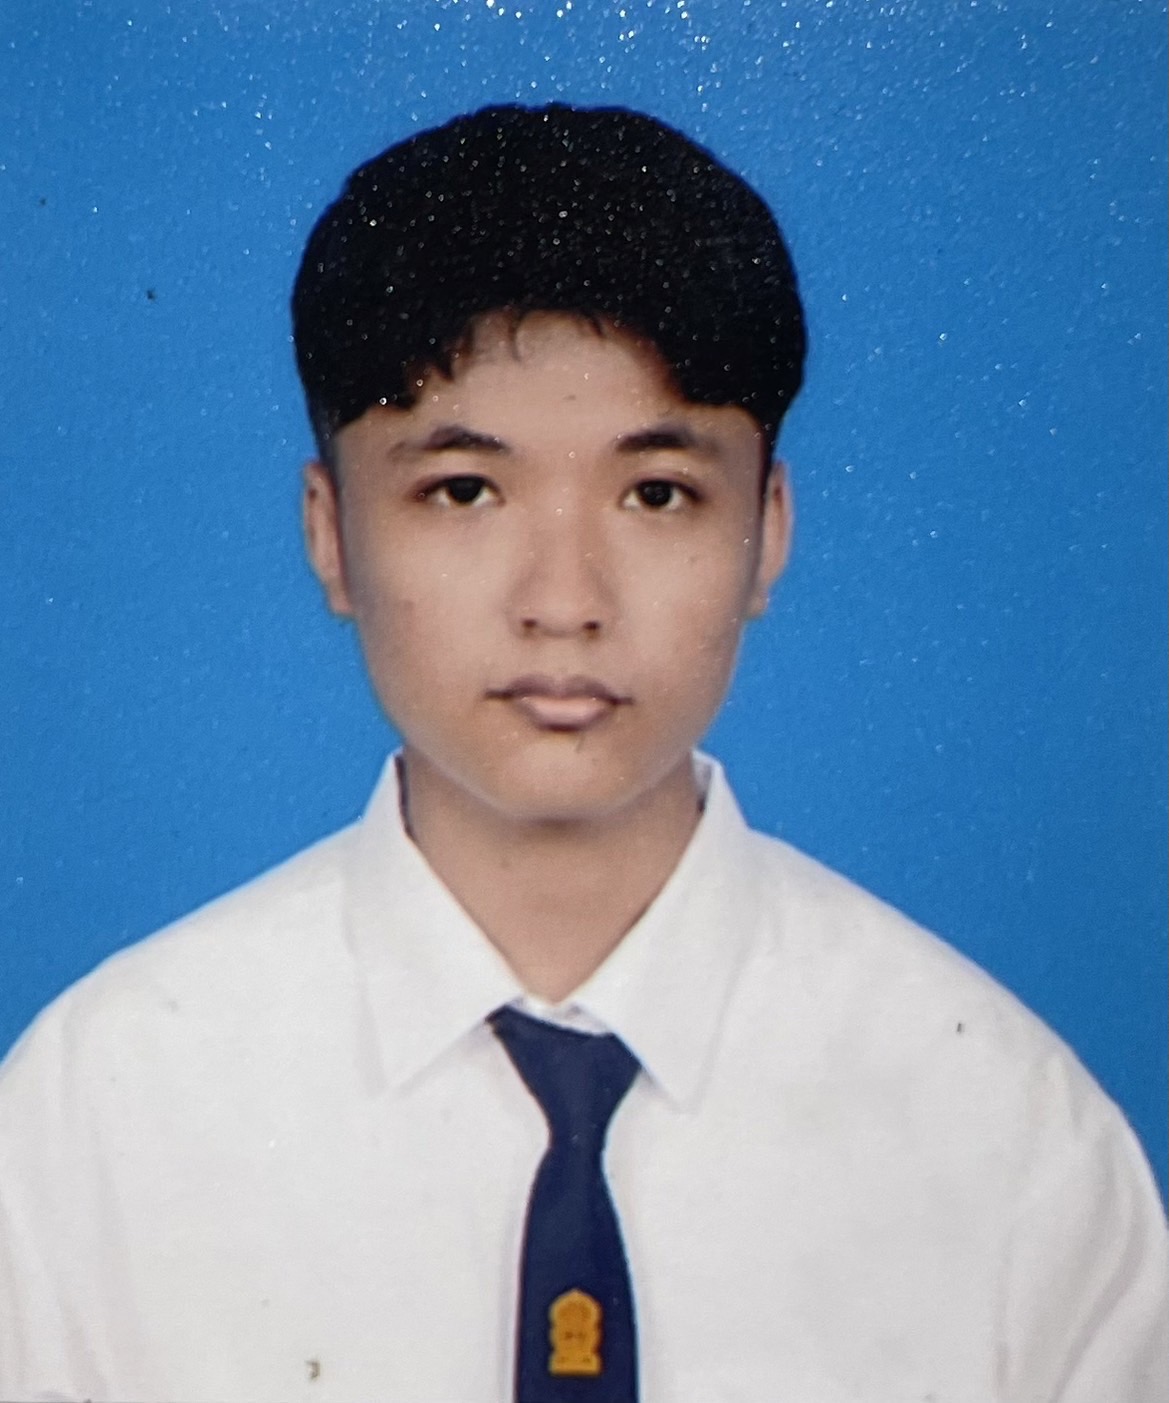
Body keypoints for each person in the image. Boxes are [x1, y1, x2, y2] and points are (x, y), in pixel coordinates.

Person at [0, 103, 1164, 1403]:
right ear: (329, 535)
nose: (564, 601)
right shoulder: (93, 1119)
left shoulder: (1013, 1138)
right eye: (463, 491)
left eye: (657, 494)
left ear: (768, 532)